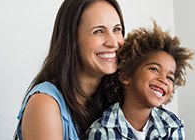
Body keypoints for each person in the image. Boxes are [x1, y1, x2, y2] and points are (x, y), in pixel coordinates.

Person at [15, 0, 125, 139]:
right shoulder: (45, 104)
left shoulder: (114, 99)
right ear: (71, 38)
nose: (113, 42)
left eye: (117, 29)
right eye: (98, 31)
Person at [86, 21, 194, 139]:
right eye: (154, 69)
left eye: (170, 78)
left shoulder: (172, 125)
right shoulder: (101, 132)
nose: (163, 80)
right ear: (126, 75)